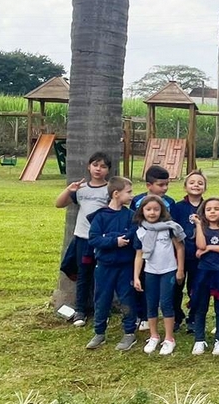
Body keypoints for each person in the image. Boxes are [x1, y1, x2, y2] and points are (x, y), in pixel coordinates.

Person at [55, 151, 112, 327]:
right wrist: (69, 189)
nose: (98, 169)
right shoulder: (80, 189)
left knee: (101, 276)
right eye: (95, 165)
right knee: (83, 274)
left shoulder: (110, 190)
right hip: (83, 240)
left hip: (102, 241)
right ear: (89, 167)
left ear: (108, 170)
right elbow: (59, 203)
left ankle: (102, 309)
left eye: (103, 166)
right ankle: (80, 310)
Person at [86, 176, 141, 350]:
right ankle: (99, 332)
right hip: (104, 266)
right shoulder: (100, 216)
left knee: (127, 298)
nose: (132, 195)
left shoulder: (131, 216)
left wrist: (107, 237)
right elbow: (93, 239)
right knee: (102, 299)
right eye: (129, 192)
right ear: (116, 194)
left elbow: (131, 235)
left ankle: (129, 333)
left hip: (125, 266)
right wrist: (114, 241)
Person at [131, 195, 185, 356]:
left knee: (166, 303)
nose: (152, 212)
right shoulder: (140, 231)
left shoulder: (169, 228)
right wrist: (136, 277)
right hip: (150, 272)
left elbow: (180, 248)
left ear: (162, 211)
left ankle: (169, 338)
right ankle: (154, 335)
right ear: (142, 211)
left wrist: (180, 269)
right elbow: (139, 255)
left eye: (156, 209)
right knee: (151, 303)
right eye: (148, 209)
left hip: (168, 270)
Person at [190, 197, 219, 355]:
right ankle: (199, 340)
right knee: (200, 306)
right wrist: (198, 224)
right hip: (203, 272)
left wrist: (210, 247)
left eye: (217, 209)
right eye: (208, 209)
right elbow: (200, 245)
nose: (212, 212)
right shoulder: (201, 228)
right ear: (203, 212)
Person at [168, 169, 206, 333]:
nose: (196, 185)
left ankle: (194, 318)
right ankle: (176, 317)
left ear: (204, 187)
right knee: (176, 288)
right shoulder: (178, 207)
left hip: (200, 256)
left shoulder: (208, 207)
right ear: (185, 187)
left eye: (200, 183)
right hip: (179, 255)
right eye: (192, 182)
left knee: (196, 288)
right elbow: (172, 230)